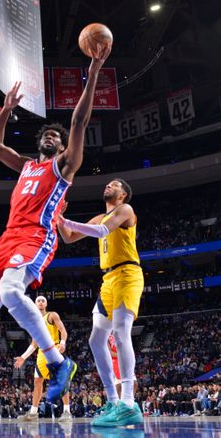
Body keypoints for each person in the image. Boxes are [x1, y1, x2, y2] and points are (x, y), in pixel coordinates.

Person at [0, 48, 111, 409]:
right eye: (47, 133)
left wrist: (94, 68)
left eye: (56, 135)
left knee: (9, 289)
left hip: (37, 235)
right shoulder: (25, 166)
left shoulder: (64, 166)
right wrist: (5, 109)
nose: (51, 135)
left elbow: (79, 122)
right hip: (8, 237)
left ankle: (58, 361)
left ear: (64, 147)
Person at [57, 177, 144, 426]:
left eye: (115, 184)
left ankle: (128, 402)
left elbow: (102, 231)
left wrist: (65, 220)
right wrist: (59, 220)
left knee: (120, 332)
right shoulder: (99, 216)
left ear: (123, 194)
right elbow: (69, 237)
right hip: (108, 280)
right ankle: (113, 400)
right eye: (108, 183)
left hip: (128, 274)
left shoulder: (125, 210)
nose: (109, 185)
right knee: (96, 339)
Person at [13, 296, 72, 421]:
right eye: (38, 300)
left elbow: (63, 330)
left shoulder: (52, 315)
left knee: (61, 381)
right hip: (41, 353)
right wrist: (23, 357)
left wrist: (62, 342)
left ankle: (67, 411)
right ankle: (33, 413)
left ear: (46, 304)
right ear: (35, 304)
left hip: (54, 350)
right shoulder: (34, 321)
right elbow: (34, 343)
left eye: (42, 300)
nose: (40, 302)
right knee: (37, 382)